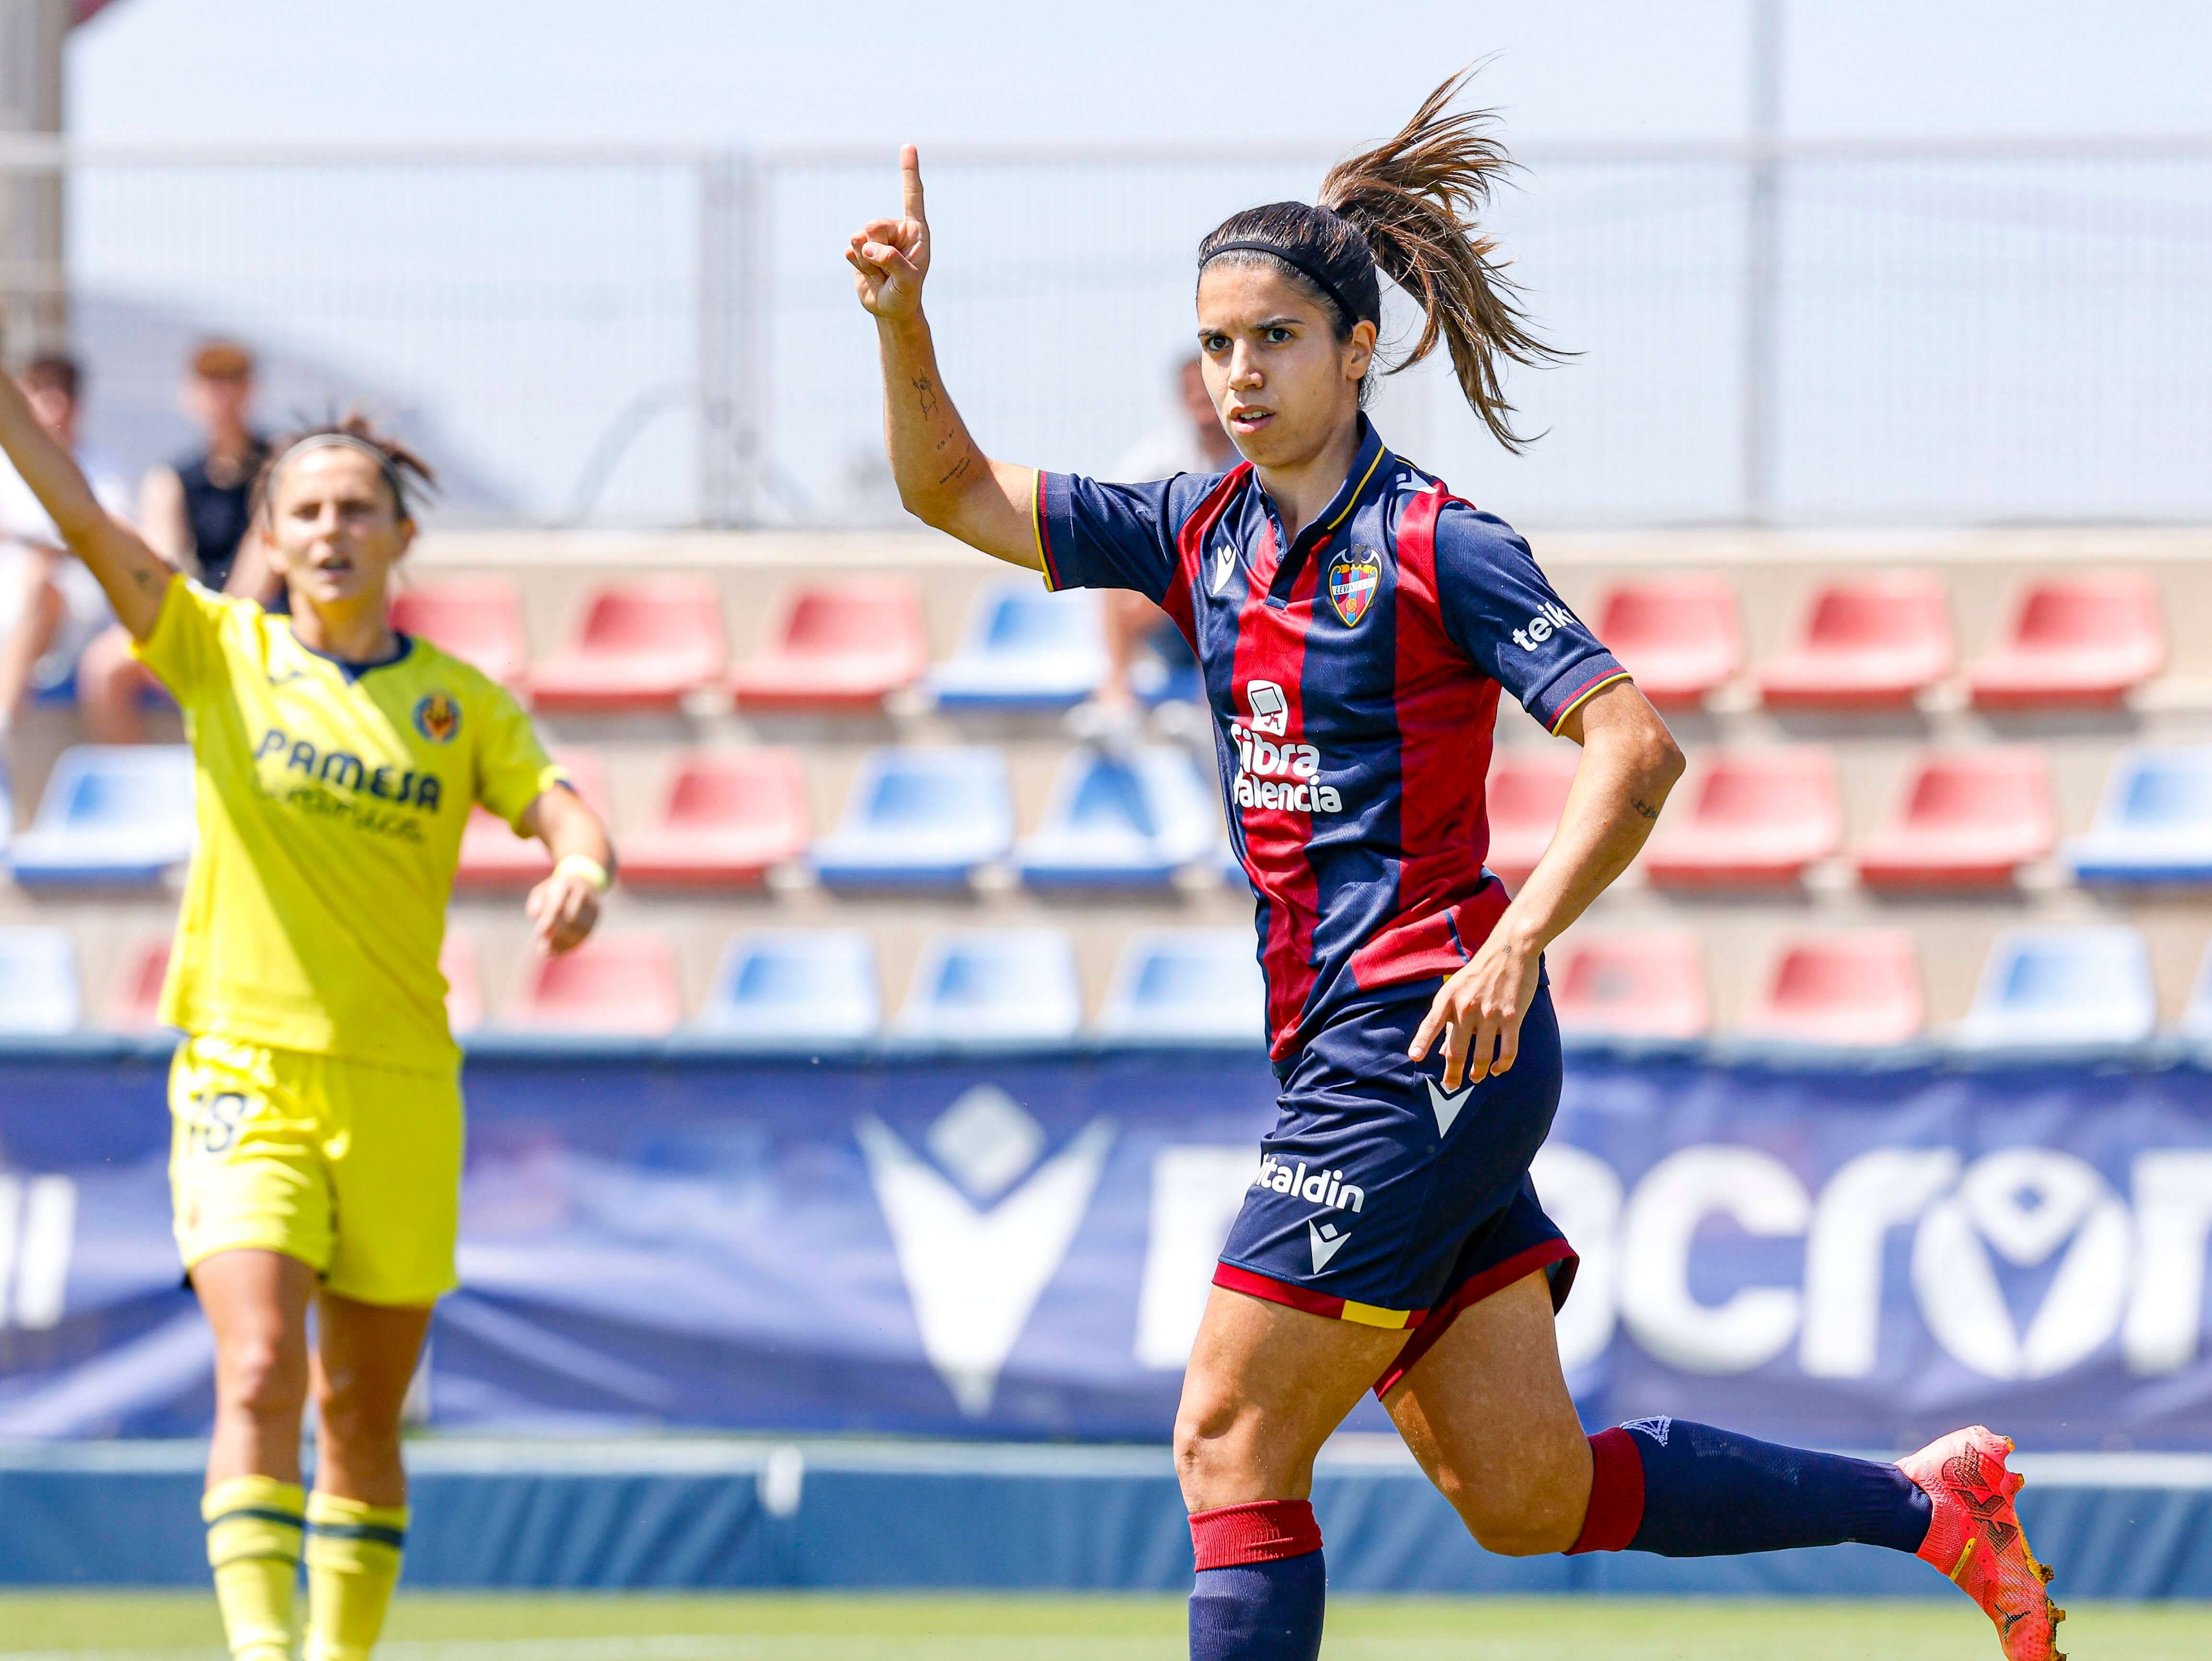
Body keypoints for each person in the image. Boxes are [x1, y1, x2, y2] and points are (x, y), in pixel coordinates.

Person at [848, 70, 2061, 1661]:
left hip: (1426, 1034)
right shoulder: (1193, 529)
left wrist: (1518, 940)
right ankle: (1928, 1505)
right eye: (1217, 343)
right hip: (1350, 1049)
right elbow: (949, 489)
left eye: (1272, 338)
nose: (1237, 372)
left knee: (1227, 1437)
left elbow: (1633, 748)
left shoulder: (1438, 542)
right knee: (1522, 1491)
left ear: (1360, 349)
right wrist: (900, 319)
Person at [0, 382, 616, 1661]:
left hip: (396, 1082)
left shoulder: (456, 704)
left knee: (360, 1415)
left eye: (357, 508)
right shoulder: (221, 651)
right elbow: (74, 510)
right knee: (260, 1364)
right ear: (270, 538)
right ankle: (262, 1651)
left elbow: (564, 810)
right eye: (308, 511)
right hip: (243, 1068)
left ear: (400, 538)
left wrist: (582, 869)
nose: (333, 530)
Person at [76, 339, 276, 744]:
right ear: (191, 394)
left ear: (250, 390)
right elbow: (161, 561)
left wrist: (226, 626)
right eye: (210, 384)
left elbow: (264, 559)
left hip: (269, 621)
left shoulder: (281, 468)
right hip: (203, 616)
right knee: (103, 666)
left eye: (231, 383)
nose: (221, 397)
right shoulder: (173, 478)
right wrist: (177, 628)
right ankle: (127, 794)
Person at [1077, 355, 1238, 730]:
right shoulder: (1153, 461)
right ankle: (1116, 690)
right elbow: (1104, 528)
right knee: (1115, 572)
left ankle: (1210, 705)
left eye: (1208, 392)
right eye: (1193, 393)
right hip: (1166, 623)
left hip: (1235, 614)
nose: (1202, 402)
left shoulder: (1258, 460)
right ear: (1182, 399)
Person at [0, 355, 133, 741]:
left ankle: (4, 725)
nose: (53, 404)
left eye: (63, 393)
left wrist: (35, 545)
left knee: (41, 582)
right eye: (40, 391)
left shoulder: (106, 469)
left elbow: (107, 539)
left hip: (78, 615)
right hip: (11, 606)